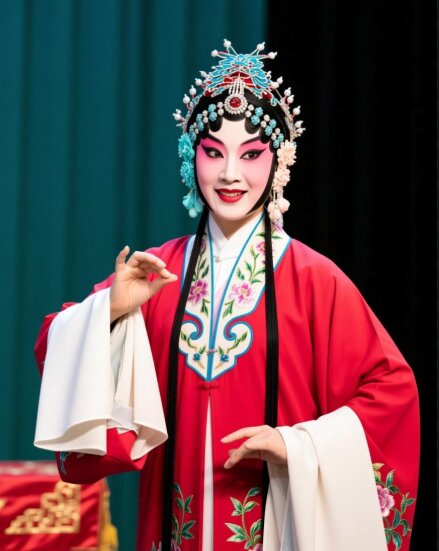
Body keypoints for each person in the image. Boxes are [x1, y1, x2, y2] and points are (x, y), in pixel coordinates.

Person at [34, 40, 419, 551]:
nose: (230, 173)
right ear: (190, 156)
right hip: (174, 519)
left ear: (279, 162)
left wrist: (297, 444)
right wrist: (111, 310)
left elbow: (391, 392)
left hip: (275, 516)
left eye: (251, 154)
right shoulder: (157, 272)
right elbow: (52, 344)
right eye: (213, 152)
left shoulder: (315, 280)